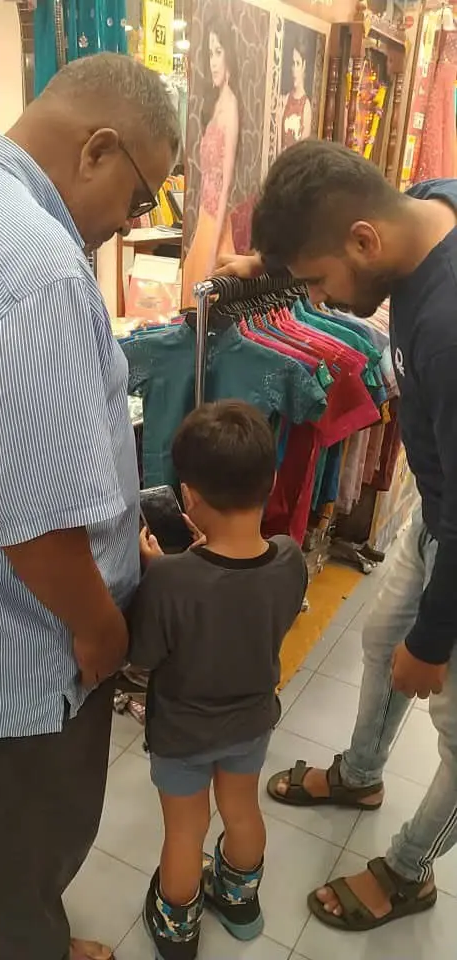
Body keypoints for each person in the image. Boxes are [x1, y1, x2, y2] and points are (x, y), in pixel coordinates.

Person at [0, 54, 179, 960]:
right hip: (34, 636)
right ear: (99, 149)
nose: (130, 225)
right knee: (39, 819)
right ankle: (19, 935)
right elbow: (37, 523)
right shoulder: (41, 269)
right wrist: (100, 628)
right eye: (142, 198)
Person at [216, 138, 457, 932]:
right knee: (380, 639)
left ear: (365, 242)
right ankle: (360, 774)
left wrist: (437, 637)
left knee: (449, 719)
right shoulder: (431, 204)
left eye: (318, 283)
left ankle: (413, 867)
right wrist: (275, 270)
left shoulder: (449, 328)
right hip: (439, 510)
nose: (318, 302)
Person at [128, 401, 307, 959]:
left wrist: (158, 572)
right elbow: (247, 600)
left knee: (186, 829)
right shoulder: (290, 557)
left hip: (183, 728)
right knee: (241, 810)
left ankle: (178, 931)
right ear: (270, 478)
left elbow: (145, 658)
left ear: (189, 497)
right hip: (251, 720)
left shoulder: (171, 578)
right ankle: (238, 900)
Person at [182, 18, 240, 306]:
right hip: (204, 222)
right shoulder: (215, 105)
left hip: (216, 226)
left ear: (229, 54)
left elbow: (226, 182)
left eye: (218, 52)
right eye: (209, 53)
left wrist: (210, 254)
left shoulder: (230, 107)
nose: (213, 61)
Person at [279, 33, 313, 152]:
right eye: (292, 64)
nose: (294, 69)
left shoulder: (306, 105)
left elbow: (303, 149)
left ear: (304, 66)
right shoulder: (285, 99)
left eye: (297, 64)